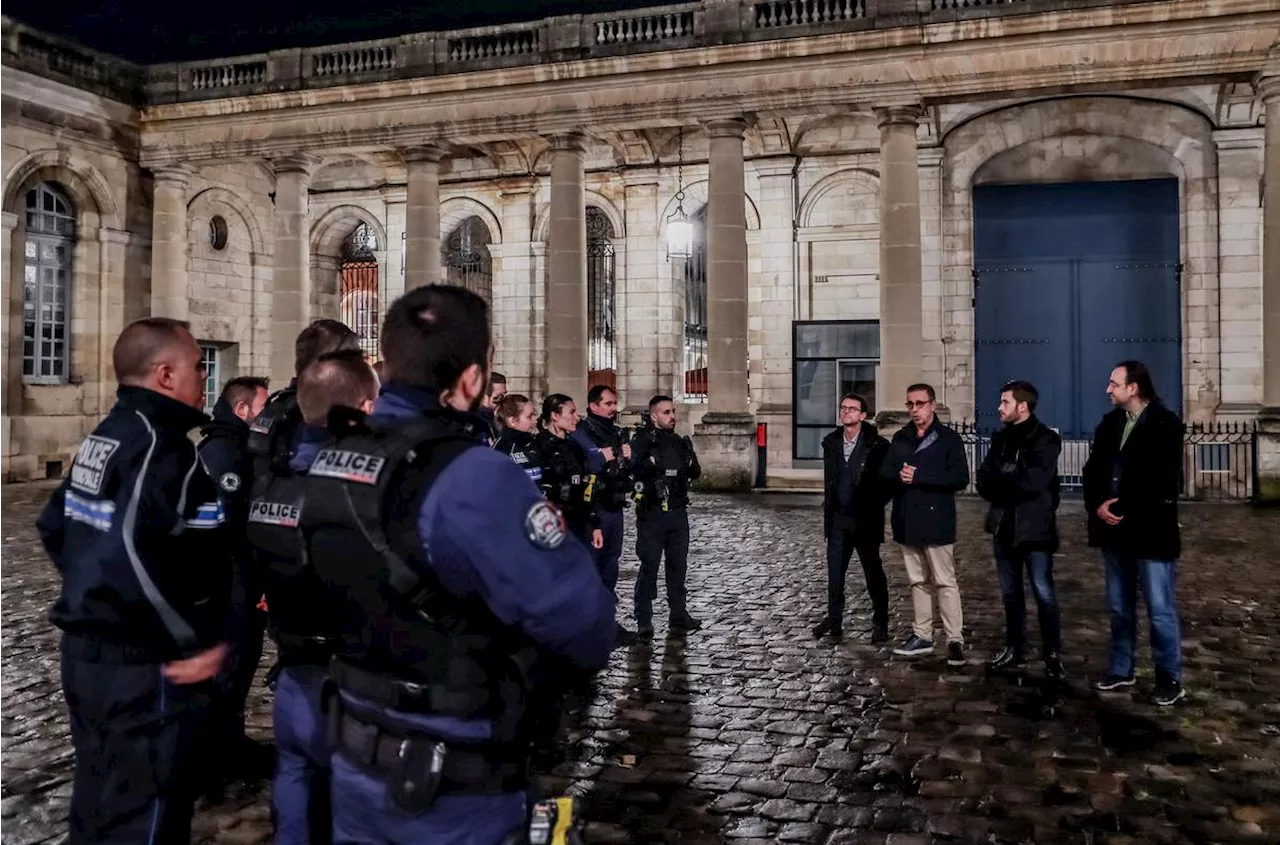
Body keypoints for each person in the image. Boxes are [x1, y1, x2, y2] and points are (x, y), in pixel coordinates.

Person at [299, 285, 617, 843]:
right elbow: (585, 626)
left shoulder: (333, 457)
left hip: (353, 752)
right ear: (472, 379)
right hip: (452, 776)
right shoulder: (474, 476)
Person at [37, 317, 233, 843]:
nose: (204, 379)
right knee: (148, 816)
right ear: (166, 375)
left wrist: (89, 595)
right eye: (198, 367)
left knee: (99, 800)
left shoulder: (108, 434)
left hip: (89, 656)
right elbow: (127, 548)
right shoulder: (159, 446)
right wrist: (187, 640)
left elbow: (56, 523)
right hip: (145, 668)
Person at [247, 350, 380, 844]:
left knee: (296, 782)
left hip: (294, 665)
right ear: (364, 408)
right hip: (353, 681)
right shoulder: (362, 491)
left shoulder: (270, 480)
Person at [1082, 361, 1186, 706]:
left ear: (1134, 387)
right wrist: (1098, 504)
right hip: (1114, 533)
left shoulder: (1164, 423)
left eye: (1114, 384)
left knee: (1159, 609)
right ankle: (1122, 667)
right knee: (1118, 606)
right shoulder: (1110, 424)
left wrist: (1122, 505)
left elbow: (1163, 480)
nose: (1107, 389)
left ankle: (1169, 677)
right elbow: (1092, 470)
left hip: (1151, 531)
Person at [198, 375, 273, 793]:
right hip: (229, 578)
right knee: (231, 663)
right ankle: (218, 756)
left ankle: (230, 743)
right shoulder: (225, 451)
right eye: (262, 408)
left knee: (241, 664)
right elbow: (233, 525)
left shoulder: (236, 445)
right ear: (242, 410)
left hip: (237, 575)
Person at [975, 380, 1064, 679]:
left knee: (1043, 592)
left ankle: (1052, 652)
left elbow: (1035, 482)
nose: (999, 408)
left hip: (1035, 528)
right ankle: (1015, 647)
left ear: (1022, 406)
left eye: (1005, 402)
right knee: (1010, 593)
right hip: (1003, 525)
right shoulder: (1000, 439)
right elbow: (983, 480)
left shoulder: (1046, 439)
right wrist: (1008, 478)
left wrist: (1005, 478)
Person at [880, 383, 970, 666]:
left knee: (945, 580)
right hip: (907, 519)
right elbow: (885, 472)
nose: (915, 410)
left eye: (920, 403)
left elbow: (959, 478)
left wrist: (919, 476)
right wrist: (899, 475)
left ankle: (954, 638)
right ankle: (923, 635)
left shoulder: (948, 439)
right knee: (917, 581)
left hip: (937, 520)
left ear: (932, 404)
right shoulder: (901, 438)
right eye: (911, 404)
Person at [816, 393, 890, 642]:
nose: (846, 411)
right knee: (835, 573)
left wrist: (874, 504)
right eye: (843, 407)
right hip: (838, 519)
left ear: (862, 415)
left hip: (865, 521)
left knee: (872, 572)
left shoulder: (877, 446)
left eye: (852, 408)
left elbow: (887, 484)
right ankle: (834, 619)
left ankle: (880, 621)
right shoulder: (831, 443)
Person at [631, 395, 702, 638]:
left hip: (677, 511)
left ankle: (678, 614)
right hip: (652, 513)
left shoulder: (679, 442)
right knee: (649, 566)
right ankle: (644, 618)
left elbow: (694, 471)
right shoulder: (642, 441)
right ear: (654, 416)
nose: (672, 416)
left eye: (673, 411)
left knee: (678, 566)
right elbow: (635, 471)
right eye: (666, 412)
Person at [570, 385, 637, 644]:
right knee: (592, 567)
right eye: (608, 404)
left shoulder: (616, 432)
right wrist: (608, 456)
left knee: (610, 567)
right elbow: (588, 462)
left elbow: (625, 462)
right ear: (593, 406)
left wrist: (624, 457)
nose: (613, 408)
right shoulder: (583, 432)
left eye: (614, 403)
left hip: (614, 504)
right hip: (593, 507)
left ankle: (606, 622)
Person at [536, 394, 604, 552]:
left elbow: (587, 486)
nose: (576, 418)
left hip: (577, 522)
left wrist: (595, 525)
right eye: (571, 412)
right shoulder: (539, 446)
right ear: (555, 415)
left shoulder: (575, 446)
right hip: (550, 524)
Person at [493, 393, 544, 486]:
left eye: (535, 415)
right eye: (529, 416)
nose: (535, 420)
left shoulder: (535, 443)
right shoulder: (502, 449)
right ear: (512, 421)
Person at [478, 371, 507, 442]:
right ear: (484, 397)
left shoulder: (498, 419)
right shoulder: (478, 424)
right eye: (498, 397)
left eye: (503, 396)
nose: (501, 402)